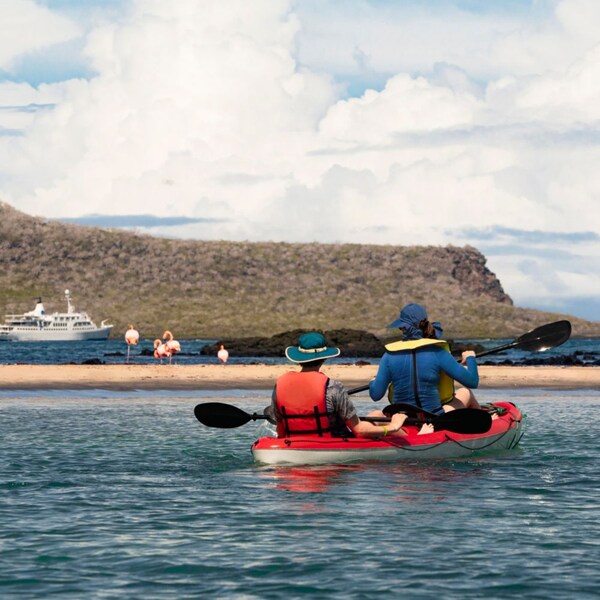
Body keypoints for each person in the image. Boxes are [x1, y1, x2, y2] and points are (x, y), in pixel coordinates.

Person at [265, 332, 407, 439]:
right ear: (324, 358)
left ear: (298, 359)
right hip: (331, 444)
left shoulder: (280, 386)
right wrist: (393, 426)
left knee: (375, 416)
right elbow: (359, 430)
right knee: (378, 417)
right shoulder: (333, 387)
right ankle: (416, 436)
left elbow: (281, 431)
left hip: (294, 443)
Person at [369, 303, 480, 415]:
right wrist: (470, 358)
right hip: (432, 417)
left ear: (401, 327)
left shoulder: (389, 355)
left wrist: (373, 381)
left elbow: (375, 395)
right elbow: (472, 382)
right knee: (465, 392)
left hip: (401, 418)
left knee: (375, 414)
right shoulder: (438, 352)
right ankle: (487, 425)